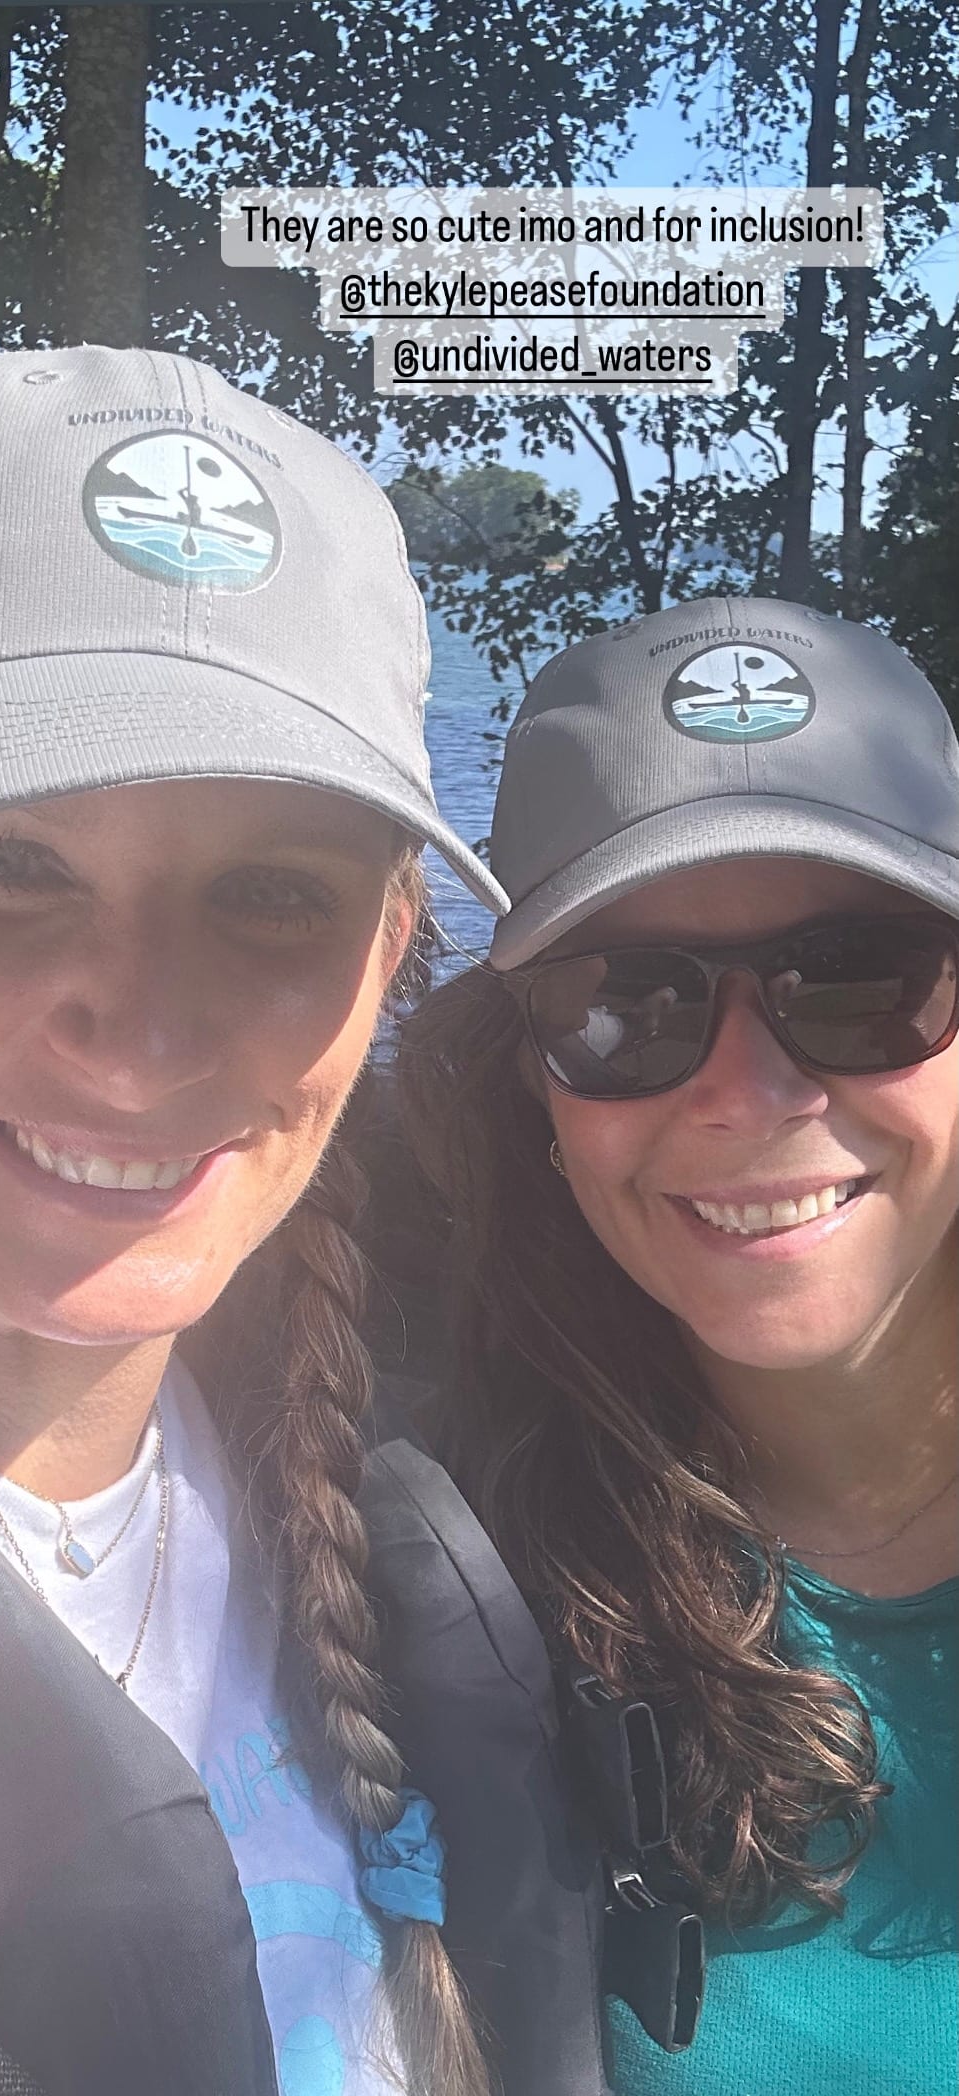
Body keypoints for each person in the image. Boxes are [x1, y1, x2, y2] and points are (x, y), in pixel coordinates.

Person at [0, 343, 524, 2096]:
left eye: (270, 896)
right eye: (1, 862)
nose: (145, 1026)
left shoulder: (382, 1452)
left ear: (392, 954)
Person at [399, 598, 959, 2096]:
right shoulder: (456, 1599)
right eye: (626, 1006)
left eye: (859, 978)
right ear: (531, 1082)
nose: (750, 1091)